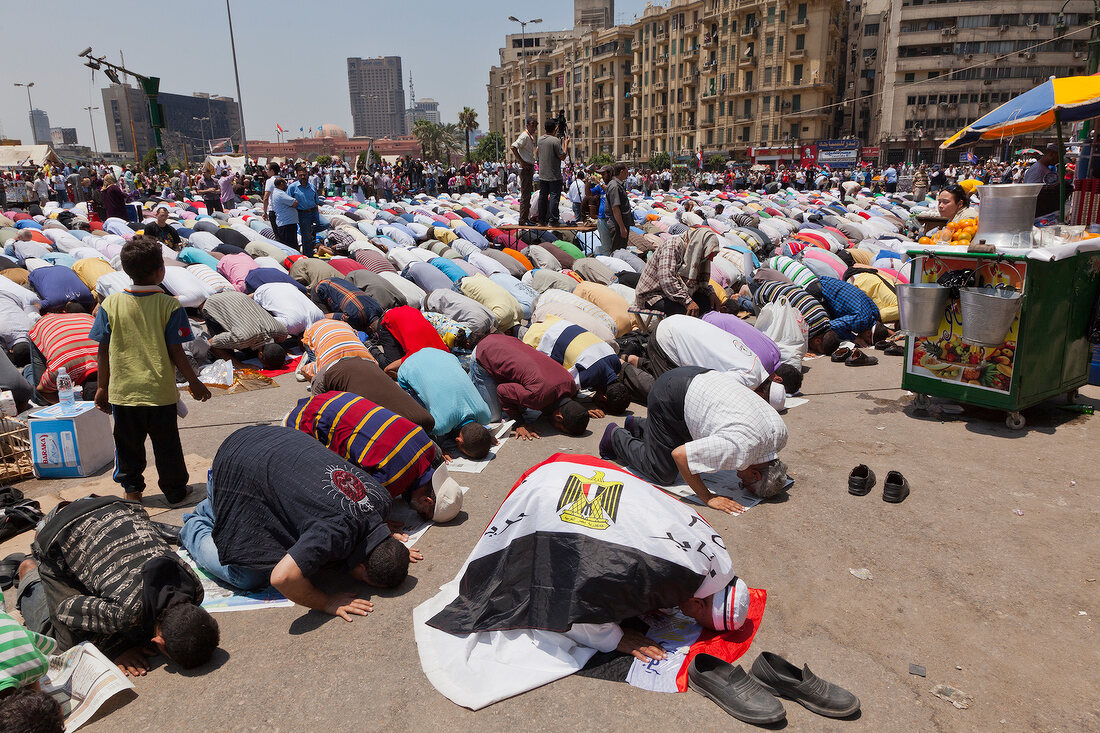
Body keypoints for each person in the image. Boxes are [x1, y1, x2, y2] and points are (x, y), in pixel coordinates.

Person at [413, 454, 750, 712]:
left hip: (566, 470)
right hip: (548, 496)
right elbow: (577, 592)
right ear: (701, 602)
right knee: (538, 567)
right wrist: (614, 637)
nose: (689, 620)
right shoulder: (650, 575)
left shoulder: (714, 561)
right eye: (696, 618)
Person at [179, 425, 411, 620]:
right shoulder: (335, 532)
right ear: (361, 567)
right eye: (363, 579)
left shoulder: (380, 501)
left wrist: (385, 544)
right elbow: (282, 578)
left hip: (267, 439)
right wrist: (327, 602)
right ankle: (194, 525)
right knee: (248, 575)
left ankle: (215, 507)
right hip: (232, 469)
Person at [17, 496, 219, 675]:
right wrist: (115, 649)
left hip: (109, 505)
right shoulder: (127, 611)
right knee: (67, 648)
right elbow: (66, 608)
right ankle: (31, 577)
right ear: (159, 643)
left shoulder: (194, 587)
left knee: (127, 626)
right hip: (54, 533)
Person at [90, 236, 212, 504]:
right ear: (161, 271)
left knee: (127, 445)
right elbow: (176, 351)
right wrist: (194, 382)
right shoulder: (170, 306)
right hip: (159, 392)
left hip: (123, 392)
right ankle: (175, 490)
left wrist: (102, 386)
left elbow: (103, 349)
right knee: (167, 445)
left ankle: (132, 490)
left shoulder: (110, 304)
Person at [601, 367, 788, 513]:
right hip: (670, 393)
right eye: (746, 483)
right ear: (756, 474)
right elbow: (680, 455)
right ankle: (615, 437)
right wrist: (708, 498)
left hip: (700, 378)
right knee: (662, 471)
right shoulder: (740, 448)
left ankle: (641, 427)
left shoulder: (780, 436)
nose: (740, 481)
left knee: (695, 439)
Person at [286, 392, 461, 523]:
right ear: (427, 500)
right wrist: (379, 526)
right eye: (424, 513)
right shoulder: (390, 482)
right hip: (304, 423)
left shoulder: (429, 448)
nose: (417, 513)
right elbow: (355, 508)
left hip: (334, 399)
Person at [469, 333, 601, 441]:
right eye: (560, 428)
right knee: (493, 416)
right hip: (483, 352)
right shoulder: (537, 397)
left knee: (519, 403)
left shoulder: (571, 384)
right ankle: (468, 377)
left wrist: (578, 412)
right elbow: (502, 391)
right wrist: (519, 423)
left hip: (505, 340)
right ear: (559, 417)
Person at [397, 348, 495, 458]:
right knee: (437, 435)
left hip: (443, 355)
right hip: (408, 367)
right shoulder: (441, 426)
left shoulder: (486, 415)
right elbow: (423, 434)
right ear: (459, 441)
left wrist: (482, 439)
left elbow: (478, 432)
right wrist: (438, 450)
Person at [521, 315, 631, 413]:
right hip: (541, 337)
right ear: (603, 397)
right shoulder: (589, 375)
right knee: (515, 333)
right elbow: (563, 389)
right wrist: (582, 408)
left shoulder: (616, 363)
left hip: (559, 324)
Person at [634, 228, 720, 317]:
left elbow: (698, 282)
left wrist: (710, 293)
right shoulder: (672, 246)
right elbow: (667, 280)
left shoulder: (697, 254)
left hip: (675, 293)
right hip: (654, 295)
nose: (710, 259)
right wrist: (688, 302)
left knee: (708, 305)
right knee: (686, 313)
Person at [201, 290, 288, 363]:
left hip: (237, 295)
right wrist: (239, 364)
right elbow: (211, 343)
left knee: (249, 350)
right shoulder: (242, 339)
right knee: (226, 357)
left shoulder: (282, 332)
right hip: (214, 303)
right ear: (261, 355)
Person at [815, 276, 884, 345]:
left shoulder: (875, 312)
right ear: (869, 333)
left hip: (827, 282)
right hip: (819, 289)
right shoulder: (860, 320)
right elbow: (831, 325)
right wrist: (853, 338)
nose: (864, 340)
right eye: (867, 341)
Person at [311, 278, 383, 333]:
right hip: (321, 288)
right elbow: (326, 316)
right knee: (326, 323)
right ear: (369, 327)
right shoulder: (354, 315)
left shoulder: (379, 309)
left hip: (336, 281)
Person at [536, 119, 569, 227]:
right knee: (554, 198)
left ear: (545, 128)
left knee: (543, 197)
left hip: (543, 174)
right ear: (555, 128)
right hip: (554, 176)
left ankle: (541, 220)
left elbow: (537, 152)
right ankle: (553, 220)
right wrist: (566, 144)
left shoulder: (540, 140)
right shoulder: (555, 141)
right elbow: (563, 156)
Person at [601, 164, 633, 256]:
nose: (628, 174)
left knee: (620, 251)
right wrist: (622, 227)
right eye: (627, 172)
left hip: (619, 224)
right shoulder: (614, 186)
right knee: (617, 252)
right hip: (617, 225)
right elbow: (615, 208)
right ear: (622, 172)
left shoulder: (616, 184)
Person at [288, 168, 321, 257]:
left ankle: (311, 248)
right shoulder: (293, 187)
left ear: (307, 175)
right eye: (300, 175)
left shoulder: (312, 187)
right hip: (302, 214)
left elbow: (316, 201)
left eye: (304, 175)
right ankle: (308, 255)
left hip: (313, 212)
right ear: (297, 176)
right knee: (306, 236)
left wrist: (317, 214)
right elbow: (288, 201)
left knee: (324, 225)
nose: (303, 177)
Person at [511, 119, 538, 225]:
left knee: (527, 195)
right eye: (532, 125)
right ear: (527, 125)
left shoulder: (529, 137)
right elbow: (513, 147)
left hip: (528, 167)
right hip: (525, 167)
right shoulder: (524, 136)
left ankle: (525, 218)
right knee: (525, 195)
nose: (534, 128)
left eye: (535, 126)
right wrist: (522, 161)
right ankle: (523, 219)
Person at [269, 177, 300, 248]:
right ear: (282, 184)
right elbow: (294, 203)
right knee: (291, 246)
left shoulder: (278, 192)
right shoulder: (280, 194)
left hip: (286, 223)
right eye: (285, 183)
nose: (287, 186)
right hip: (287, 224)